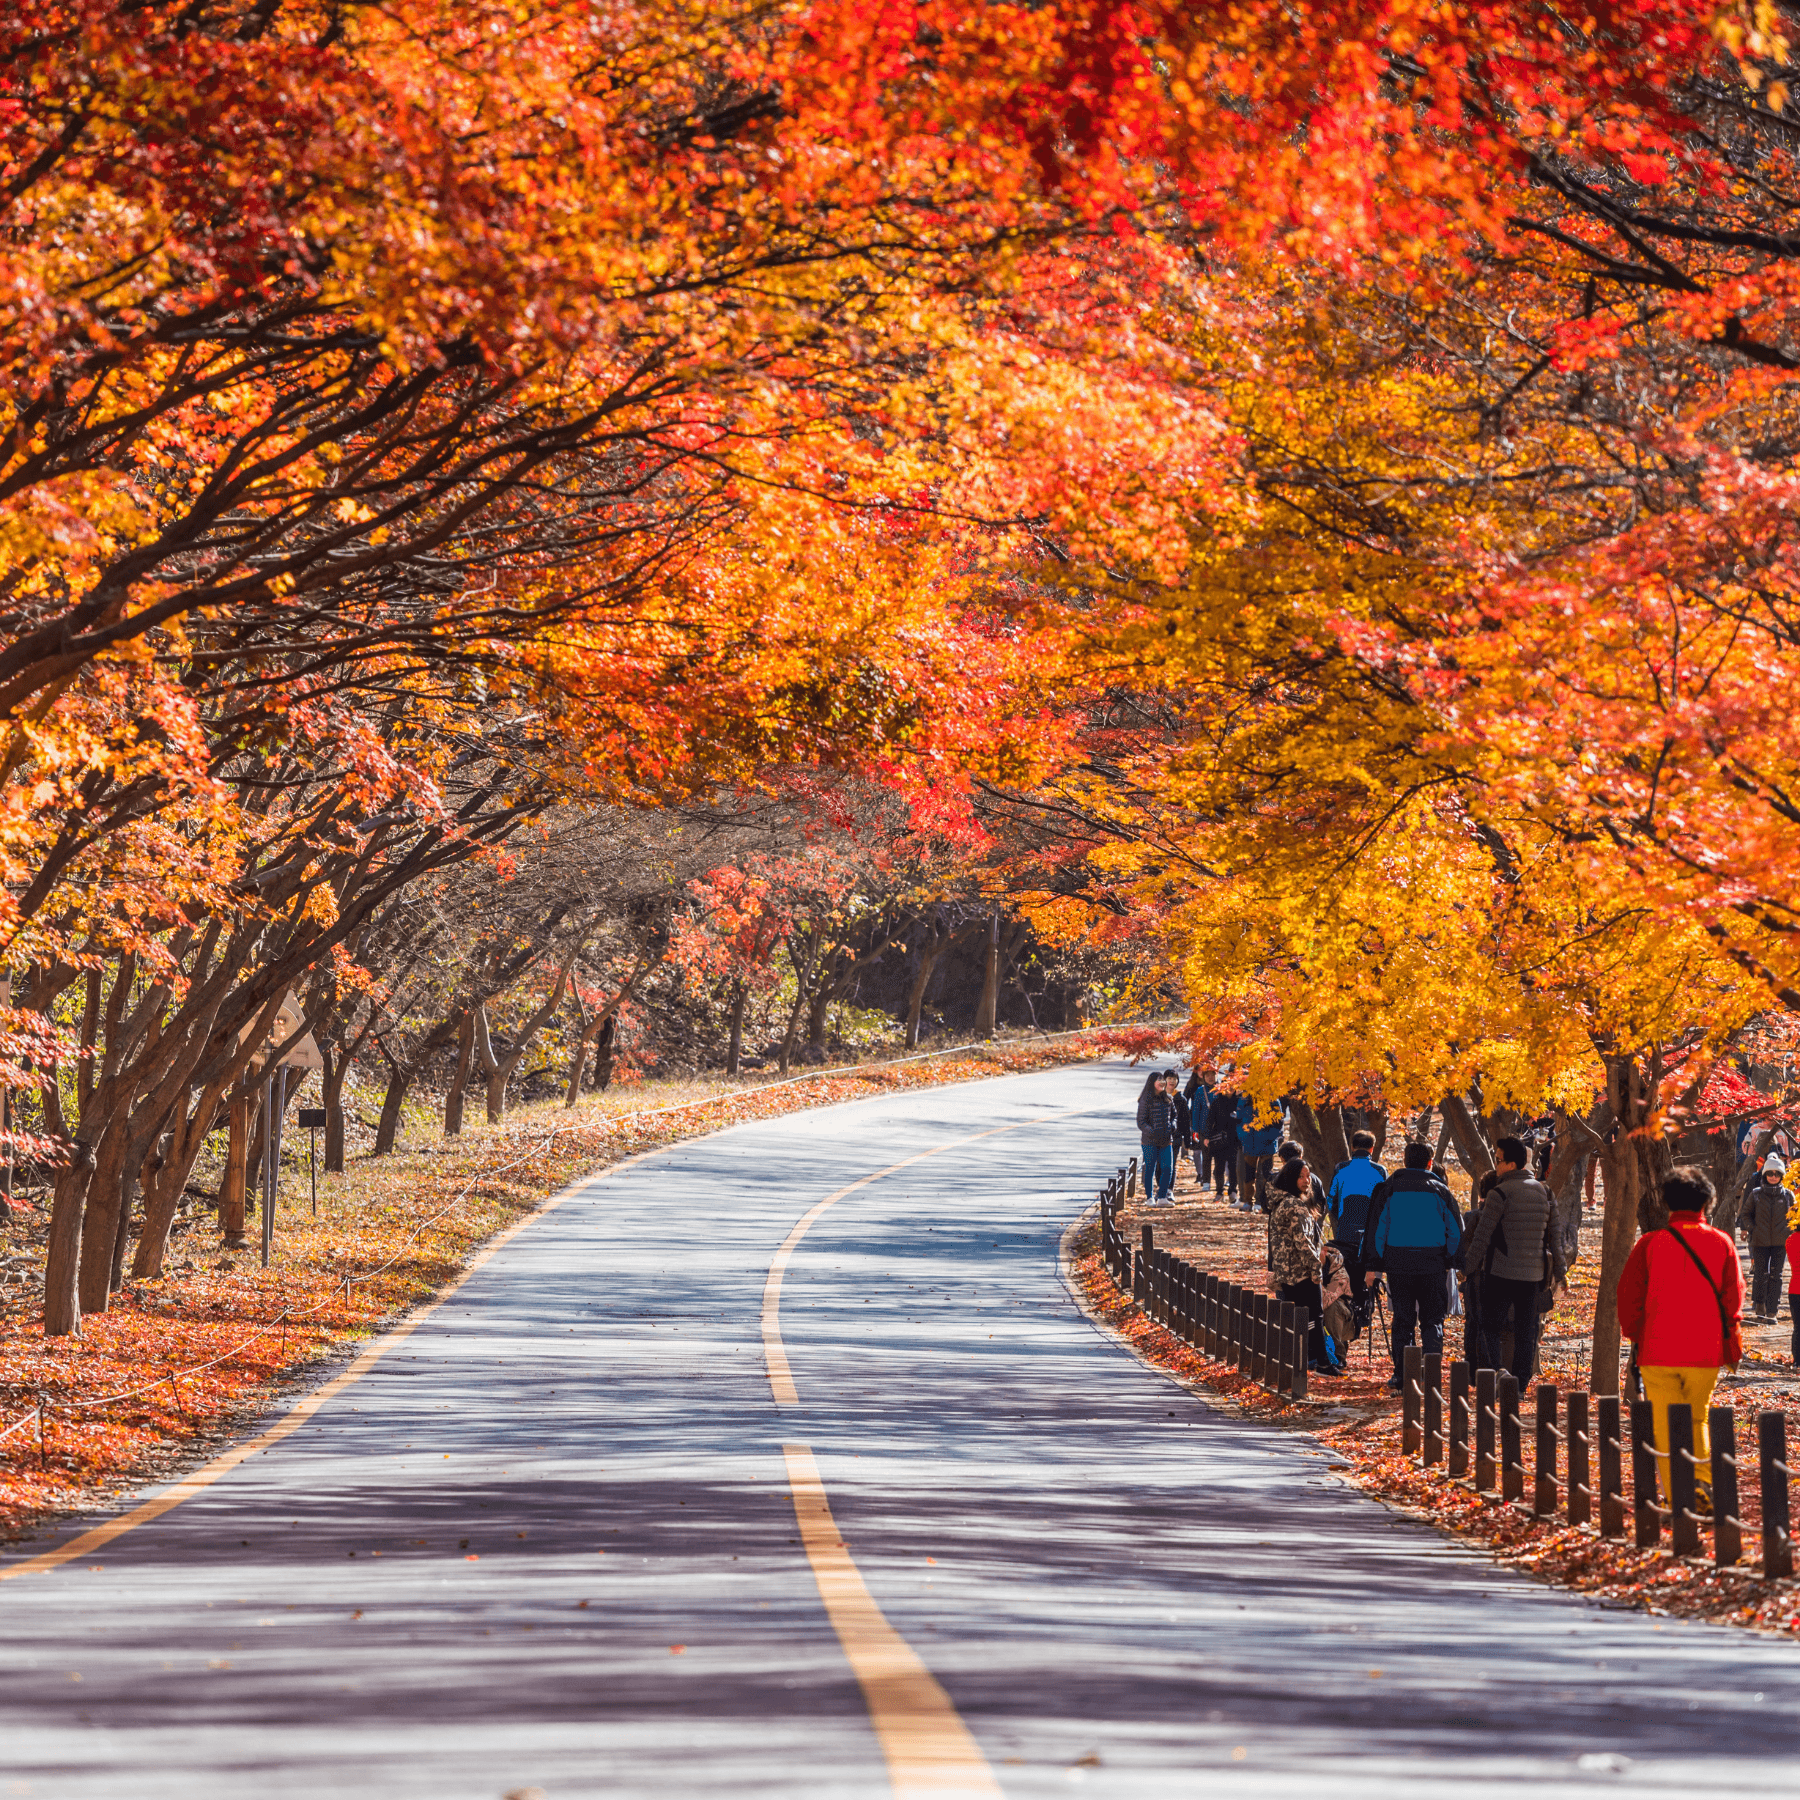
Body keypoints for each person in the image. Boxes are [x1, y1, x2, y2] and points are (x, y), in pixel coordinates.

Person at [1617, 1170, 1744, 1509]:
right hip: (1705, 1351)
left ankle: (1680, 1500)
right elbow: (1733, 1301)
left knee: (1666, 1425)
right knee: (1697, 1416)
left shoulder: (1650, 1244)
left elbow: (1629, 1297)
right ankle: (1702, 1481)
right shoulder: (1722, 1243)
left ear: (1666, 1202)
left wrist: (1636, 1334)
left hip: (1658, 1350)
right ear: (1707, 1202)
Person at [1462, 1133, 1566, 1384]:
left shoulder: (1499, 1193)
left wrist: (1467, 1267)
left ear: (1511, 1165)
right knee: (1526, 1330)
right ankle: (1520, 1383)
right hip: (1533, 1274)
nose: (1495, 1165)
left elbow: (1482, 1237)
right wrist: (1560, 1272)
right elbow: (1555, 1236)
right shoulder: (1545, 1192)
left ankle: (1498, 1370)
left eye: (1498, 1160)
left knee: (1490, 1325)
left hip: (1502, 1272)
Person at [1363, 1141, 1462, 1394]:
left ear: (1405, 1160)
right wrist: (1451, 1259)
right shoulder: (1441, 1192)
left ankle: (1402, 1375)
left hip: (1399, 1264)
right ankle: (1431, 1376)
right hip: (1433, 1264)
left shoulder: (1389, 1188)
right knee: (1432, 1321)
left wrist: (1375, 1265)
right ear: (1430, 1162)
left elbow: (1377, 1230)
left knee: (1403, 1321)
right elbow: (1455, 1231)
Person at [1268, 1156, 1332, 1371]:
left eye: (1308, 1177)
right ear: (1290, 1178)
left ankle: (1306, 1358)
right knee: (1314, 1316)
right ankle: (1321, 1361)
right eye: (1301, 1177)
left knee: (1300, 1317)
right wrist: (1316, 1270)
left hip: (1287, 1272)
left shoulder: (1280, 1202)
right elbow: (1303, 1242)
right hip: (1301, 1272)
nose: (1306, 1181)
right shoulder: (1294, 1206)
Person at [1326, 1131, 1386, 1332]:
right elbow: (1383, 1204)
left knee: (1346, 1276)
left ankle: (1347, 1317)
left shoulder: (1341, 1168)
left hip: (1345, 1233)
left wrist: (1340, 1219)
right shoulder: (1380, 1171)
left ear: (1352, 1147)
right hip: (1370, 1236)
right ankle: (1365, 1309)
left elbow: (1331, 1201)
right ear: (1372, 1148)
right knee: (1366, 1276)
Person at [1738, 1153, 1790, 1321]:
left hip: (1780, 1242)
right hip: (1759, 1241)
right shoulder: (1756, 1194)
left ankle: (1772, 1310)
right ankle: (1759, 1305)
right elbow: (1745, 1214)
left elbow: (1795, 1216)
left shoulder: (1788, 1195)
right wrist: (1752, 1228)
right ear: (1765, 1174)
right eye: (1770, 1173)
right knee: (1760, 1274)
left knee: (1777, 1275)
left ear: (1781, 1175)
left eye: (1776, 1174)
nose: (1773, 1177)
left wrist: (1788, 1232)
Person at [1136, 1069, 1181, 1206]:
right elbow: (1141, 1122)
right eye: (1159, 1080)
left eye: (1163, 1080)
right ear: (1152, 1083)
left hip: (1166, 1140)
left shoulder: (1168, 1098)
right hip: (1150, 1141)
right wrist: (1151, 1131)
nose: (1163, 1083)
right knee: (1150, 1168)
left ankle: (1162, 1197)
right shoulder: (1145, 1100)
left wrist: (1172, 1126)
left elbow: (1174, 1116)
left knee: (1168, 1168)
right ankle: (1149, 1198)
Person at [1236, 1094, 1284, 1212]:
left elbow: (1278, 1123)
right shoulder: (1244, 1100)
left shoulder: (1273, 1100)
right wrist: (1244, 1137)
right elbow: (1238, 1121)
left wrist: (1268, 1137)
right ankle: (1248, 1201)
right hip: (1249, 1143)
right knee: (1248, 1174)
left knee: (1266, 1174)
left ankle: (1262, 1202)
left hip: (1267, 1144)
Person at [1205, 1087, 1240, 1203]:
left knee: (1233, 1167)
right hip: (1219, 1140)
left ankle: (1233, 1191)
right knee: (1218, 1168)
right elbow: (1210, 1120)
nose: (1229, 1090)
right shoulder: (1217, 1102)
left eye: (1232, 1088)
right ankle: (1219, 1191)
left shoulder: (1238, 1101)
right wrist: (1207, 1136)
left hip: (1234, 1139)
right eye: (1227, 1088)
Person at [1183, 1069, 1213, 1186]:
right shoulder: (1192, 1084)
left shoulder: (1215, 1085)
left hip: (1211, 1123)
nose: (1202, 1072)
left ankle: (1209, 1177)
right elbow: (1185, 1100)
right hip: (1196, 1121)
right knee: (1197, 1149)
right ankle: (1200, 1174)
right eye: (1199, 1069)